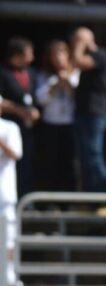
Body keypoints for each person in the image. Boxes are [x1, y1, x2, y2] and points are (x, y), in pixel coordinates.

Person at [35, 40, 80, 192]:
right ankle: (51, 199)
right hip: (51, 123)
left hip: (70, 123)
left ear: (68, 55)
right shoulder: (44, 76)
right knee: (51, 162)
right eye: (54, 55)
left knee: (70, 162)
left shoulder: (76, 73)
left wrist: (66, 82)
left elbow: (80, 97)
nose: (58, 59)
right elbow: (40, 99)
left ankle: (70, 198)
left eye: (61, 54)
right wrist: (54, 86)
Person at [71, 27, 106, 192]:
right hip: (81, 112)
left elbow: (77, 62)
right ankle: (88, 197)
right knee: (84, 158)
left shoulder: (101, 55)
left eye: (77, 40)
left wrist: (80, 45)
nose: (74, 44)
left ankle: (103, 198)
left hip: (95, 113)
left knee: (94, 156)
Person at [0, 37, 38, 198]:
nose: (32, 57)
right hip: (7, 125)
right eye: (29, 53)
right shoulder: (3, 73)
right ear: (18, 55)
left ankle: (26, 198)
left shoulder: (31, 72)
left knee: (27, 164)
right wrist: (18, 110)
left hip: (28, 128)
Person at [0, 95, 22, 286]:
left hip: (4, 194)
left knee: (8, 239)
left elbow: (15, 154)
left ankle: (9, 276)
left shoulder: (10, 128)